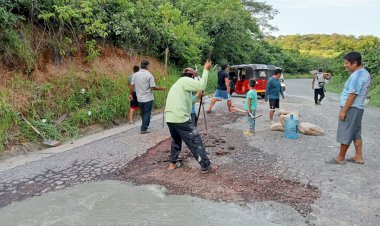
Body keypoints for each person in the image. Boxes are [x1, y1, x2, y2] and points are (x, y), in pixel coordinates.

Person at [164, 60, 216, 173]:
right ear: (192, 76)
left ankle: (172, 163)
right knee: (195, 140)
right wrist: (206, 69)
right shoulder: (185, 80)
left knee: (176, 140)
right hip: (180, 117)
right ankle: (206, 166)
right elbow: (202, 85)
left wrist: (197, 96)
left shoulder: (178, 84)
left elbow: (189, 102)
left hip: (170, 117)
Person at [327, 52, 371, 165]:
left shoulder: (357, 75)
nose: (344, 65)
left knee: (345, 131)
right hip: (358, 108)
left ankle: (340, 158)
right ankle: (358, 157)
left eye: (346, 63)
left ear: (355, 63)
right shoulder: (364, 73)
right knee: (356, 132)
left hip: (352, 108)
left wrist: (343, 110)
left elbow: (352, 94)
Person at [130, 60, 165, 134]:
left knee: (143, 113)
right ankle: (143, 128)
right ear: (147, 66)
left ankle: (144, 125)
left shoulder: (135, 75)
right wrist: (162, 88)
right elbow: (153, 87)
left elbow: (132, 85)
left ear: (141, 65)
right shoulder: (149, 75)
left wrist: (130, 94)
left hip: (139, 98)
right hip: (148, 98)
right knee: (147, 113)